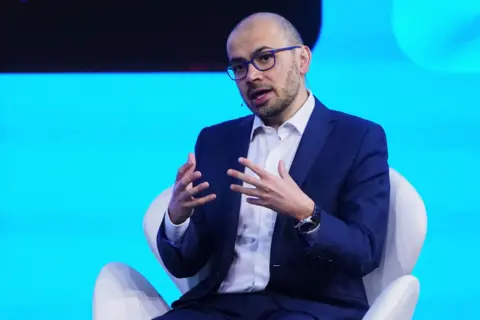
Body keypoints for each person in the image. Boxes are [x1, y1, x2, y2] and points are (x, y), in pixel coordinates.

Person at [154, 12, 390, 320]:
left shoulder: (357, 138)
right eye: (239, 66)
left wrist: (306, 213)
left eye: (264, 58)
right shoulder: (216, 141)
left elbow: (365, 251)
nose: (251, 76)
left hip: (310, 308)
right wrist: (177, 218)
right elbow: (184, 264)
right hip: (220, 307)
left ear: (302, 60)